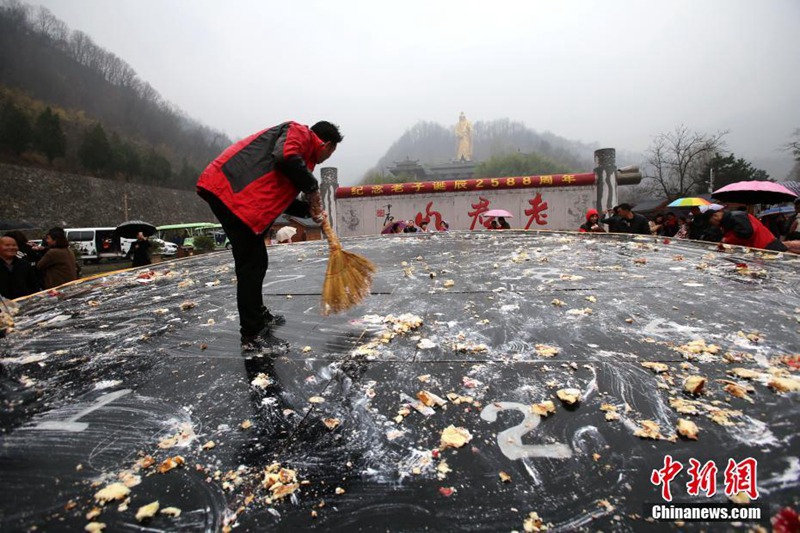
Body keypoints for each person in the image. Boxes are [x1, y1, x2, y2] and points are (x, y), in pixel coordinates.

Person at [197, 120, 340, 352]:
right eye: (332, 152)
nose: (329, 157)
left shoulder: (302, 160)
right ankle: (252, 335)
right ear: (327, 145)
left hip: (240, 200)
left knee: (256, 262)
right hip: (231, 193)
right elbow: (285, 157)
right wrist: (312, 187)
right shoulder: (299, 133)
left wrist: (307, 210)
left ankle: (257, 316)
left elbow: (283, 198)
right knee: (251, 265)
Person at [707, 208, 800, 254]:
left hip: (767, 246)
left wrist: (727, 240)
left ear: (715, 216)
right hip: (761, 249)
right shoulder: (727, 222)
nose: (713, 224)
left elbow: (746, 233)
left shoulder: (736, 216)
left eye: (711, 222)